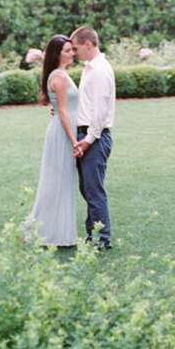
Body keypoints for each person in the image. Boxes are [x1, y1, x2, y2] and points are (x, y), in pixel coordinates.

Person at [23, 34, 79, 248]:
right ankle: (36, 229)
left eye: (71, 49)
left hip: (63, 129)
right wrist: (74, 141)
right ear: (57, 54)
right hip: (64, 133)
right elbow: (63, 112)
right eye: (67, 50)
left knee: (62, 182)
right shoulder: (60, 77)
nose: (72, 53)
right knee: (55, 182)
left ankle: (57, 232)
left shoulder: (59, 75)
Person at [69, 25, 115, 250]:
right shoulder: (90, 69)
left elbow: (99, 112)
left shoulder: (99, 71)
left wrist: (87, 141)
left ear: (88, 44)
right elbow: (86, 105)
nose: (74, 53)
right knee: (88, 189)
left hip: (95, 137)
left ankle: (101, 239)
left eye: (76, 48)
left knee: (94, 191)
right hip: (87, 134)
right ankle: (93, 235)